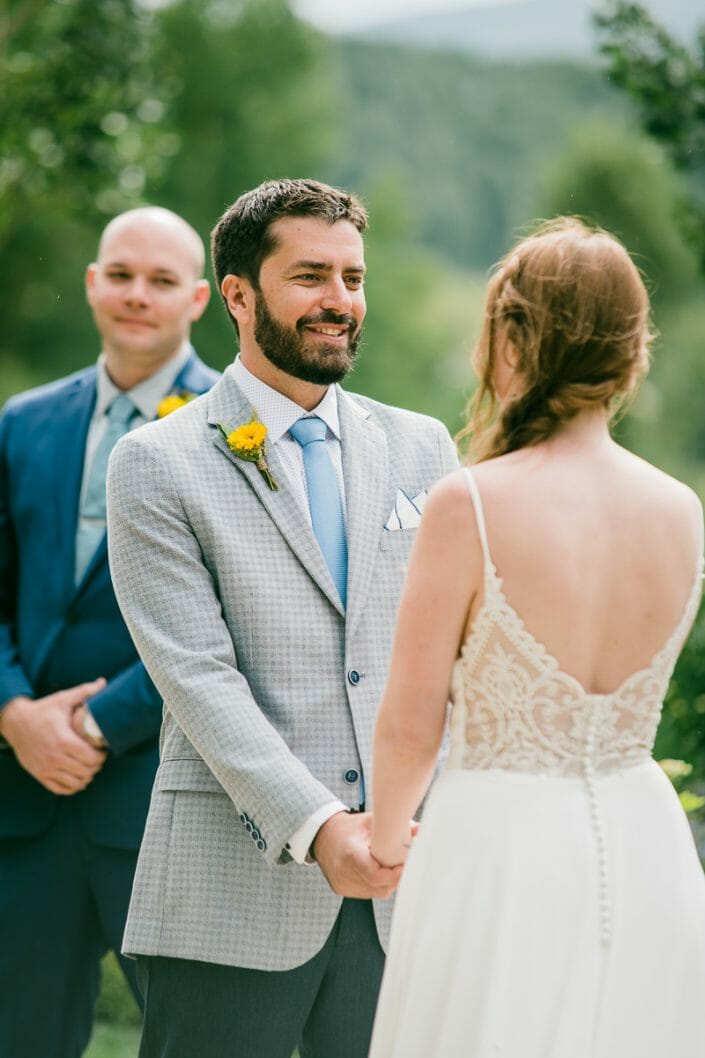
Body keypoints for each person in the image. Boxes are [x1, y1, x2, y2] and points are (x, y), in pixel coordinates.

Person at [105, 177, 458, 1058]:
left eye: (352, 277)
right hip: (232, 887)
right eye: (310, 277)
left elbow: (455, 654)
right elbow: (193, 678)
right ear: (236, 293)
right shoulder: (156, 463)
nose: (340, 301)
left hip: (403, 892)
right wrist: (318, 826)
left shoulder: (423, 445)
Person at [367, 216, 705, 1057]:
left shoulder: (470, 502)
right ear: (632, 349)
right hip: (646, 844)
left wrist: (381, 842)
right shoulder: (681, 511)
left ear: (511, 340)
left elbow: (412, 723)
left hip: (497, 850)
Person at [0, 206, 216, 1058]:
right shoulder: (23, 422)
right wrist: (16, 713)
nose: (137, 295)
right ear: (92, 283)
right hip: (25, 799)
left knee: (191, 1039)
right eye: (120, 274)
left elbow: (235, 617)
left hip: (161, 795)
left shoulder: (235, 430)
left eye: (161, 281)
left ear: (198, 297)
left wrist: (97, 725)